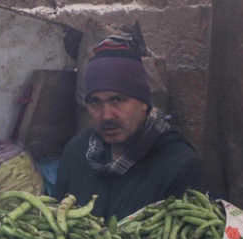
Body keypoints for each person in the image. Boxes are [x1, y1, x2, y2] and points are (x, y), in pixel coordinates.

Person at [54, 37, 204, 220]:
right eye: (95, 102)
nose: (107, 115)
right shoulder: (76, 153)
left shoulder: (178, 164)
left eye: (117, 100)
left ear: (144, 104)